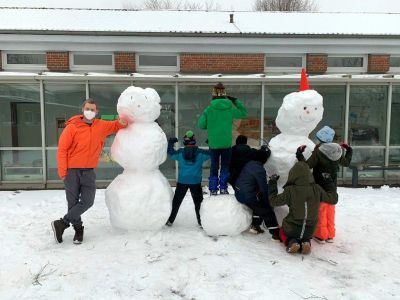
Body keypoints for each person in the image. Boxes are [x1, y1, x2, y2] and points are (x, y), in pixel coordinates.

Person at [51, 99, 128, 244]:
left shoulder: (101, 126)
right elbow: (62, 150)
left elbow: (117, 125)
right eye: (87, 108)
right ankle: (79, 230)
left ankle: (62, 223)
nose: (90, 112)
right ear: (82, 109)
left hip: (88, 171)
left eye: (93, 109)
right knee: (72, 203)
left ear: (97, 112)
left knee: (88, 201)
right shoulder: (72, 127)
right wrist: (63, 172)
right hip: (71, 171)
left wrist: (125, 120)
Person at [268, 160, 338, 255]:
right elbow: (333, 199)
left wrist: (272, 183)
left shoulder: (290, 190)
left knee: (282, 232)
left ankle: (292, 242)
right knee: (305, 235)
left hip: (292, 227)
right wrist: (328, 181)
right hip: (310, 229)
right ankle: (306, 242)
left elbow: (273, 201)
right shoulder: (316, 189)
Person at [296, 125, 352, 244]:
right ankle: (330, 234)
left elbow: (307, 166)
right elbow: (346, 163)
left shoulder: (319, 152)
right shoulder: (337, 151)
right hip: (332, 185)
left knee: (321, 210)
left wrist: (299, 154)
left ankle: (321, 236)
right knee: (330, 209)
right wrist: (349, 151)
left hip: (320, 185)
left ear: (320, 138)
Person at [198, 83, 247, 195]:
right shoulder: (229, 108)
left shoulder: (209, 109)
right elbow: (243, 113)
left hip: (214, 143)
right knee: (225, 166)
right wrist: (235, 101)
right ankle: (223, 188)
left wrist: (210, 125)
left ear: (213, 95)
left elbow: (201, 125)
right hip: (226, 143)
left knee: (214, 166)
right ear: (225, 95)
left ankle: (213, 189)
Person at [165, 130, 210, 227]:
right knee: (198, 203)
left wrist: (171, 143)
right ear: (194, 140)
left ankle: (170, 221)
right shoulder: (200, 153)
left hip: (182, 181)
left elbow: (171, 154)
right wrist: (211, 143)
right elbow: (211, 153)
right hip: (195, 182)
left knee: (176, 202)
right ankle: (201, 222)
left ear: (185, 141)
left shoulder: (180, 153)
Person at [234, 149, 280, 239]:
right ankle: (276, 234)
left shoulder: (250, 164)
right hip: (247, 196)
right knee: (267, 211)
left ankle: (255, 226)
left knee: (259, 203)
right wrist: (269, 202)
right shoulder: (259, 169)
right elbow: (264, 189)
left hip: (239, 192)